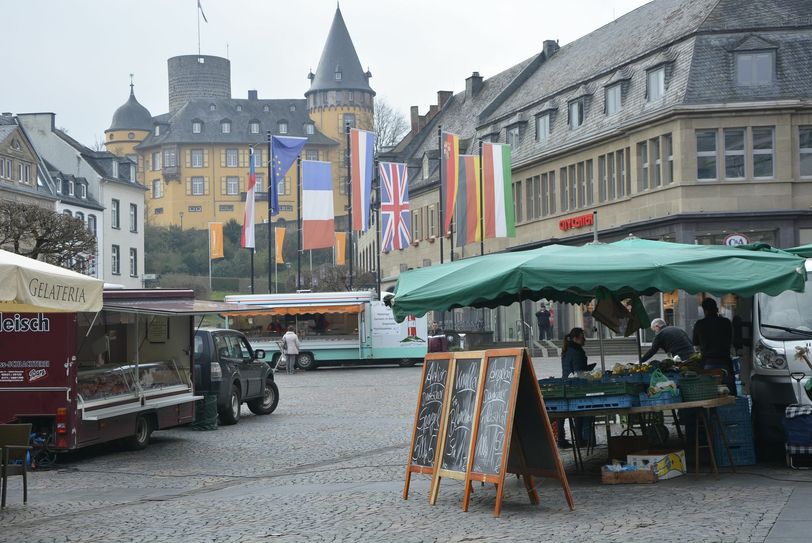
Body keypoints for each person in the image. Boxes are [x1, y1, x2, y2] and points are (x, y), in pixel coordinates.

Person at [692, 298, 737, 396]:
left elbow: (695, 343)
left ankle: (712, 411)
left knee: (709, 393)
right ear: (716, 309)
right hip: (725, 361)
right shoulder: (726, 322)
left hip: (707, 362)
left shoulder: (700, 324)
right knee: (729, 393)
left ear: (705, 310)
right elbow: (731, 340)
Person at [557, 327, 592, 448]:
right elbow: (578, 371)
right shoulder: (576, 351)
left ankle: (561, 438)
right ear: (576, 338)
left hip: (565, 382)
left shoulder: (567, 349)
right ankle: (579, 439)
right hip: (574, 385)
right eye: (583, 337)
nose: (585, 339)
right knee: (578, 411)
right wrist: (588, 370)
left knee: (563, 411)